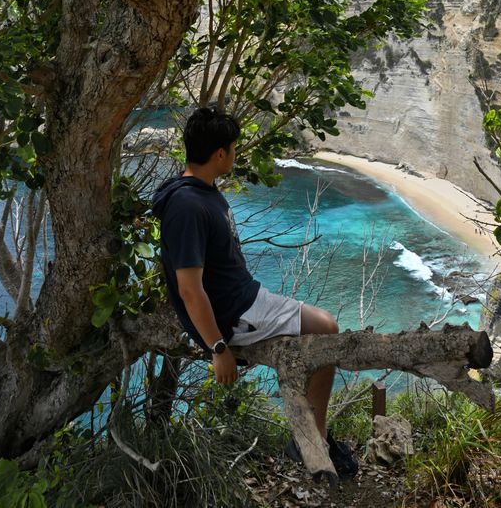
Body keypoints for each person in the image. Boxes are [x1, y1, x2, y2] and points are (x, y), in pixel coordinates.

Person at [152, 106, 358, 477]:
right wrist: (218, 348)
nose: (235, 154)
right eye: (233, 148)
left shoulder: (199, 190)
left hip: (246, 298)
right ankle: (314, 441)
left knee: (323, 327)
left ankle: (313, 436)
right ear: (219, 154)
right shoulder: (187, 206)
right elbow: (188, 289)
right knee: (327, 328)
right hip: (236, 315)